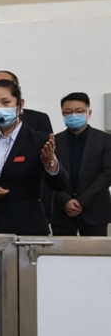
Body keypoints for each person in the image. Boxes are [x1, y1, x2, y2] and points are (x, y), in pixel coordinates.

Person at [0, 80, 68, 236]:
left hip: (27, 225)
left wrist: (50, 163)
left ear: (20, 105)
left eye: (6, 102)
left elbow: (60, 183)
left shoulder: (38, 140)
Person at [52, 92, 111, 236]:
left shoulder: (105, 140)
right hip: (62, 211)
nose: (73, 115)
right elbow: (48, 175)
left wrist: (82, 201)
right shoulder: (54, 141)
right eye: (68, 112)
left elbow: (107, 174)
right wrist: (65, 201)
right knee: (61, 250)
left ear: (88, 113)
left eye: (79, 111)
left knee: (96, 250)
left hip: (95, 210)